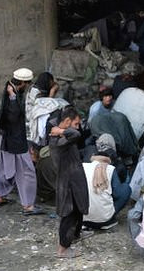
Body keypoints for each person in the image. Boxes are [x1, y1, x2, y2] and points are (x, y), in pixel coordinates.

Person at [0, 68, 40, 214]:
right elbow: (13, 117)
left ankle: (0, 196)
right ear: (23, 83)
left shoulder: (9, 90)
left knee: (5, 168)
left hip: (6, 139)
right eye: (28, 83)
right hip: (15, 141)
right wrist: (13, 97)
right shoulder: (11, 95)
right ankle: (28, 205)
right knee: (27, 173)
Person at [50, 107, 90, 258]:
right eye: (76, 123)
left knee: (78, 210)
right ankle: (62, 249)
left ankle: (75, 235)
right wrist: (61, 131)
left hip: (74, 180)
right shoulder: (59, 139)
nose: (78, 126)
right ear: (67, 121)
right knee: (69, 214)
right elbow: (76, 134)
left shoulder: (63, 136)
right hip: (68, 183)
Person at [82, 142, 131, 230]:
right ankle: (109, 219)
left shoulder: (83, 166)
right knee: (126, 188)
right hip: (105, 219)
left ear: (93, 158)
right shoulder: (110, 169)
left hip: (82, 218)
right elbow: (117, 194)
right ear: (108, 160)